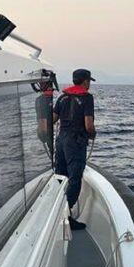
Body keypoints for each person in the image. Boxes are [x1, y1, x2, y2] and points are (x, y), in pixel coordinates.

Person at [53, 69, 97, 230]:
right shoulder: (87, 98)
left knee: (61, 175)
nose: (89, 84)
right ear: (85, 81)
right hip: (75, 143)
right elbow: (88, 125)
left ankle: (55, 210)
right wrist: (92, 134)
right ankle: (65, 215)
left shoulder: (62, 97)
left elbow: (52, 119)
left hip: (61, 141)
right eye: (89, 81)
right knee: (74, 178)